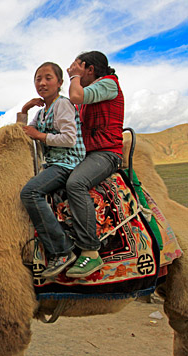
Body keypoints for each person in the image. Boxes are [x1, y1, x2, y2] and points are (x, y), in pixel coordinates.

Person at [19, 62, 86, 278]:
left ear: (59, 82)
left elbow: (69, 138)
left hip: (67, 164)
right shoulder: (43, 112)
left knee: (30, 192)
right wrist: (24, 110)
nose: (42, 83)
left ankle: (62, 250)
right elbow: (24, 132)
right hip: (52, 164)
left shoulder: (62, 105)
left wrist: (39, 136)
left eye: (48, 78)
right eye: (38, 79)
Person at [65, 51, 124, 278]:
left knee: (77, 184)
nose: (73, 71)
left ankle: (90, 251)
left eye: (78, 68)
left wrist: (73, 78)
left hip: (106, 153)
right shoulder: (89, 94)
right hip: (86, 154)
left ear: (90, 69)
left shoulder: (108, 85)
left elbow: (77, 96)